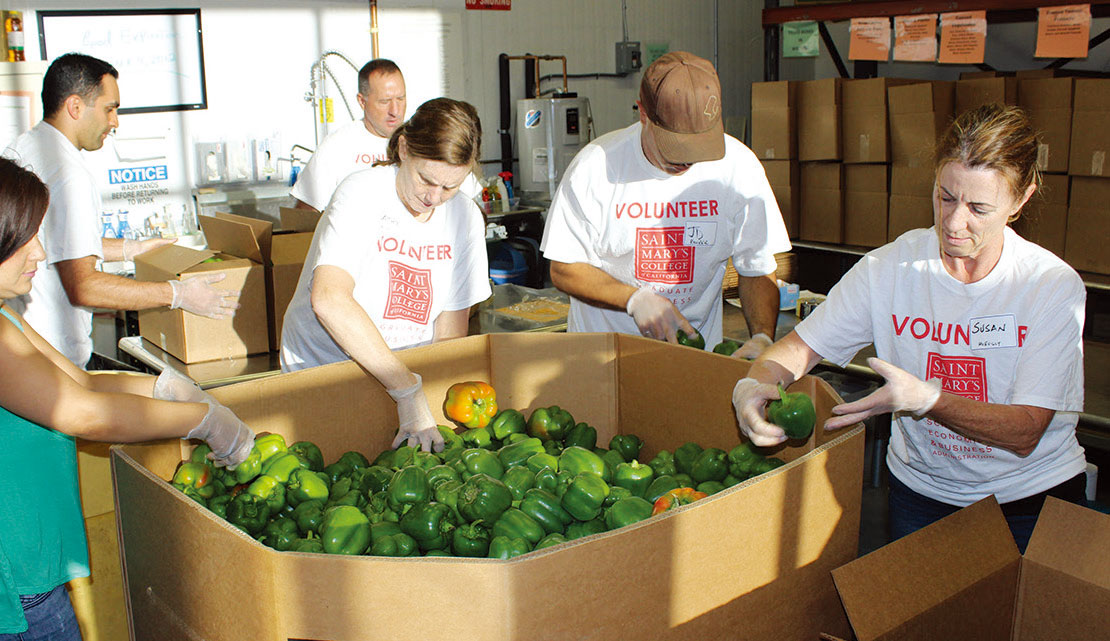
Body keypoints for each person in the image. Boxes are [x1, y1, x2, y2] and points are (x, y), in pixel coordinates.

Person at [732, 104, 1087, 552]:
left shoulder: (1049, 287)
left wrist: (927, 399)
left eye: (979, 207)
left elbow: (1024, 431)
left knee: (1022, 622)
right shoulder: (889, 269)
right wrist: (754, 383)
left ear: (1021, 201)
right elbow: (798, 350)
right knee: (921, 622)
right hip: (921, 496)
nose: (954, 223)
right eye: (945, 196)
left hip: (1026, 500)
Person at [0, 157, 254, 639]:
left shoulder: (4, 316)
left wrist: (167, 388)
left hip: (35, 578)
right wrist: (199, 421)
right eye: (25, 238)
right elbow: (81, 413)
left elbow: (82, 381)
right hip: (15, 595)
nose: (38, 254)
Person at [539, 51, 790, 355]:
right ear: (643, 113)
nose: (687, 161)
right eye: (675, 146)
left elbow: (757, 266)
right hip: (602, 356)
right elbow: (564, 267)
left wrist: (762, 336)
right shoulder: (596, 168)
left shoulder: (739, 168)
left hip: (693, 356)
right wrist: (634, 299)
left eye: (699, 146)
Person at [280, 98, 491, 453]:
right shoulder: (362, 192)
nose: (434, 197)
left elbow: (450, 329)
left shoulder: (464, 217)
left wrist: (430, 398)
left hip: (402, 377)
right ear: (405, 148)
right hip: (324, 369)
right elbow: (329, 300)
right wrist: (407, 390)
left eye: (450, 186)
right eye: (426, 179)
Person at [3, 53, 238, 369]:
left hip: (22, 345)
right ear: (74, 107)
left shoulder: (23, 148)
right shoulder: (70, 174)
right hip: (54, 358)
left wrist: (130, 249)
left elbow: (56, 241)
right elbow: (84, 286)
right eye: (109, 109)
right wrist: (178, 295)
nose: (114, 122)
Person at [291, 58, 407, 213]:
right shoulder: (338, 146)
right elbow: (304, 216)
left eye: (401, 99)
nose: (395, 110)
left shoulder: (418, 142)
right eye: (384, 101)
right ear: (362, 101)